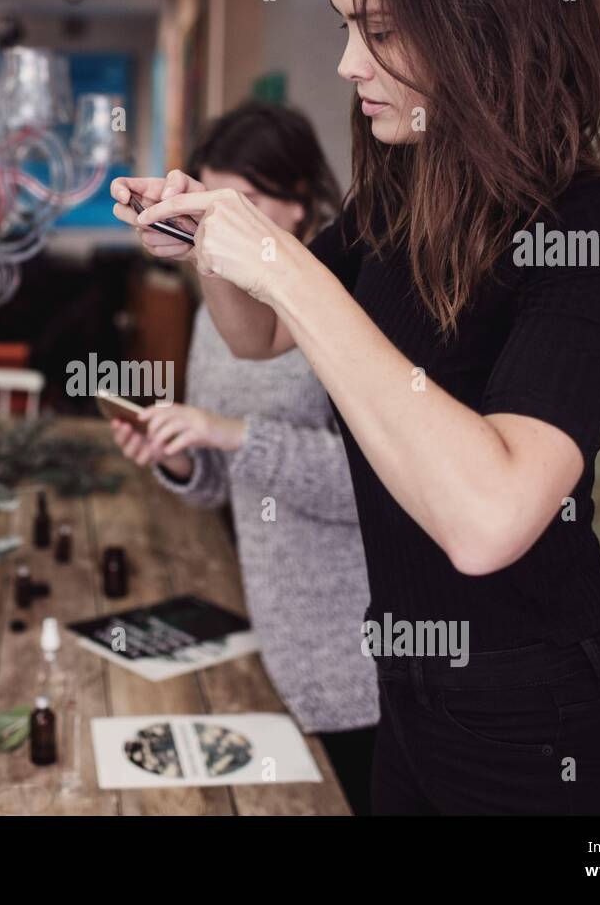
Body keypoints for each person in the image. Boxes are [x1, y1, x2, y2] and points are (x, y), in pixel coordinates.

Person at [113, 0, 600, 814]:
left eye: (379, 31)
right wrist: (206, 245)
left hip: (538, 729)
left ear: (483, 30)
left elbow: (489, 520)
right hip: (405, 698)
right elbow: (258, 336)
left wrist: (282, 262)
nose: (347, 64)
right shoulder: (391, 210)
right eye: (345, 28)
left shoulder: (592, 225)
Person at [108, 102, 378, 814]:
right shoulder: (217, 302)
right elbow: (217, 485)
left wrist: (230, 431)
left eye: (246, 204)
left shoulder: (343, 297)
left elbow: (375, 487)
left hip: (351, 645)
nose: (219, 225)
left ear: (298, 207)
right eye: (212, 201)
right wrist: (177, 454)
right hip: (261, 620)